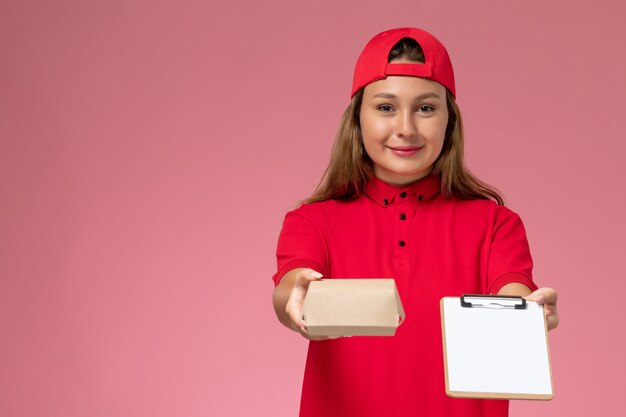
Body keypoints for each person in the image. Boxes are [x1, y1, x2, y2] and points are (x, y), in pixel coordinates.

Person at [271, 27, 559, 417]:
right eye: (386, 107)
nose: (406, 127)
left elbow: (512, 291)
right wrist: (296, 297)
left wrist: (526, 313)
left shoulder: (496, 224)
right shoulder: (312, 220)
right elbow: (290, 287)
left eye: (425, 108)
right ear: (358, 118)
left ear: (449, 122)